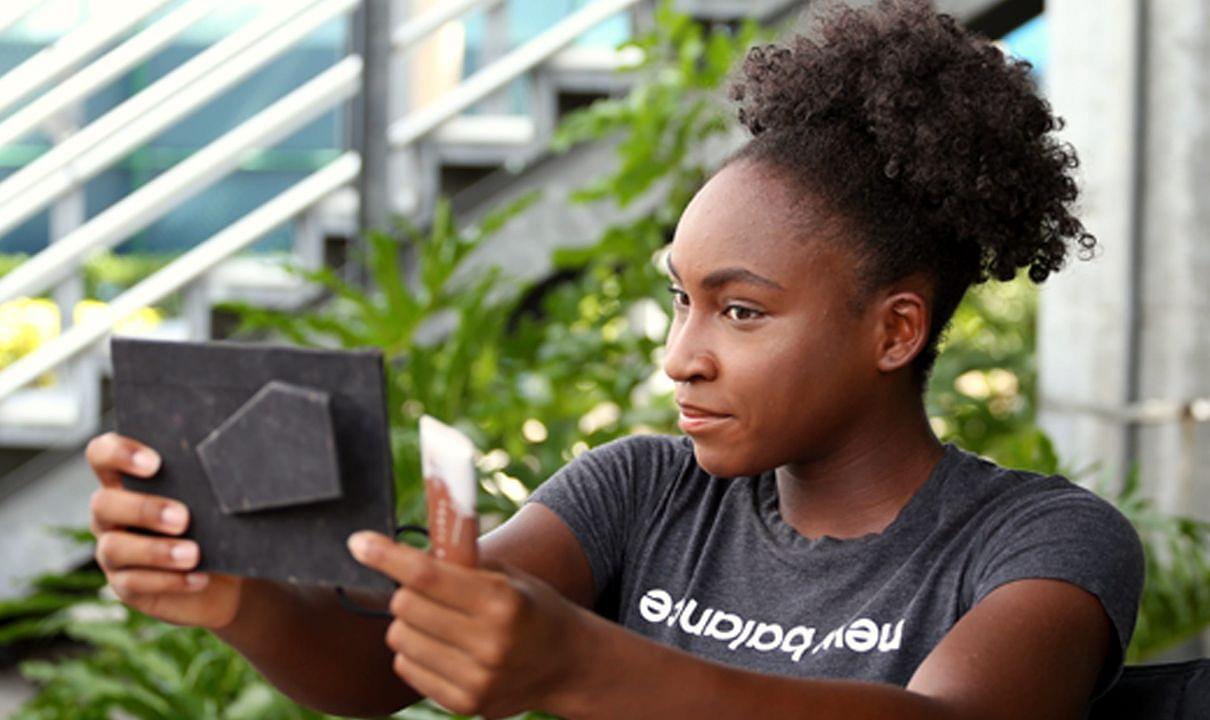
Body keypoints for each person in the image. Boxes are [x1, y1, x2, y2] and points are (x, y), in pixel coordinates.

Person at [84, 1, 1144, 718]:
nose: (681, 356)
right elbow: (377, 665)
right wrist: (228, 592)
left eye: (739, 312)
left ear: (892, 331)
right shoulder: (640, 493)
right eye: (678, 300)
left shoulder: (1038, 544)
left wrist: (579, 661)